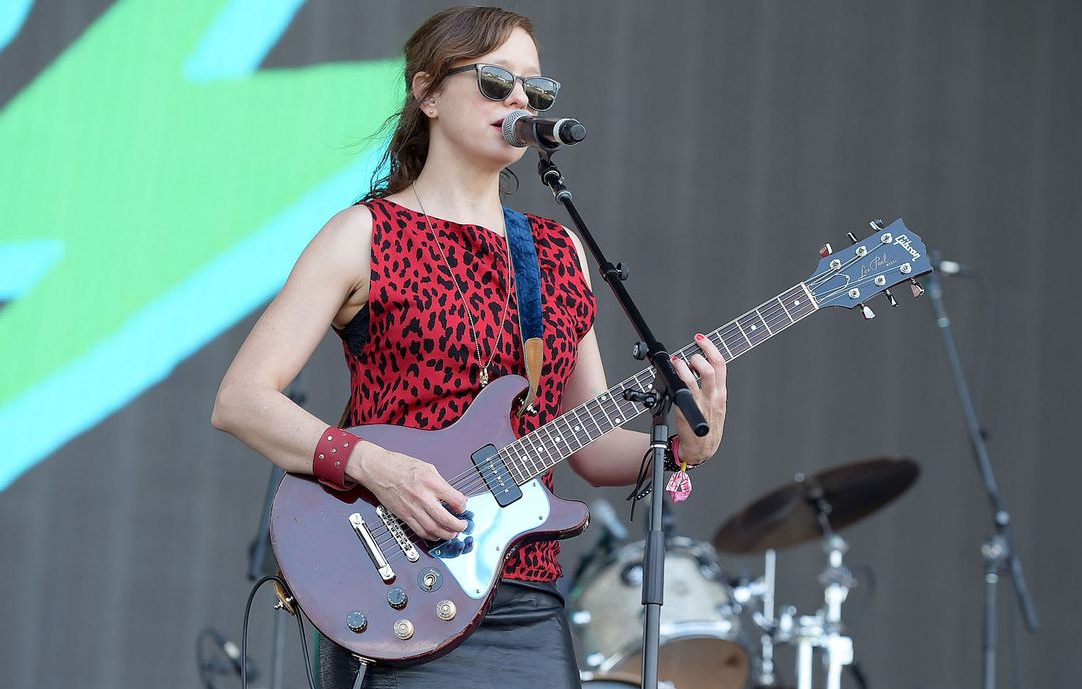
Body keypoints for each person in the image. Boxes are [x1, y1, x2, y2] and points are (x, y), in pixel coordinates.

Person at [211, 6, 728, 688]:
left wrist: (688, 443)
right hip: (394, 584)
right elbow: (242, 400)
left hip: (527, 600)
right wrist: (377, 465)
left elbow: (591, 445)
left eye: (535, 90)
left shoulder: (556, 250)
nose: (519, 99)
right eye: (494, 80)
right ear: (427, 93)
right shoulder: (364, 235)